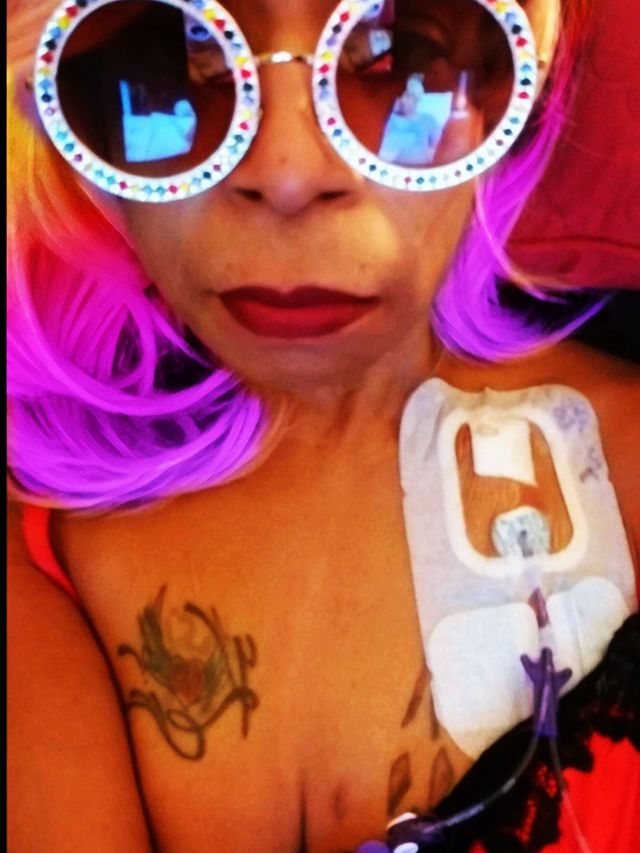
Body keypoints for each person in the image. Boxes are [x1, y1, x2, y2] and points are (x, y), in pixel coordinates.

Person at [7, 0, 639, 851]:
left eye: (396, 51)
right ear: (55, 109)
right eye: (180, 56)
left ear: (518, 81)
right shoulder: (37, 541)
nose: (289, 173)